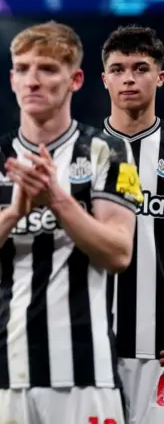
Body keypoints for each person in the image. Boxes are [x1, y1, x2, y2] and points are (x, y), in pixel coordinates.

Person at [0, 21, 142, 424]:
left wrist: (57, 200)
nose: (32, 80)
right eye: (22, 68)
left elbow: (120, 253)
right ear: (11, 79)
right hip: (1, 372)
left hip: (86, 372)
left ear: (76, 79)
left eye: (48, 69)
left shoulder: (109, 152)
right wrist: (14, 212)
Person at [101, 25, 164, 424]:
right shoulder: (76, 155)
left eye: (140, 68)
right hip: (88, 350)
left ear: (160, 76)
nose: (128, 78)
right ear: (104, 78)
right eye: (118, 68)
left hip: (158, 350)